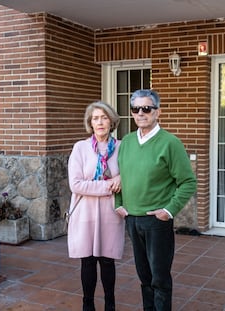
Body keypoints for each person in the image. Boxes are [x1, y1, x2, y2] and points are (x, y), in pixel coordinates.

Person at [115, 89, 197, 311]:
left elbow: (188, 182)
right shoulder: (127, 142)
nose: (141, 113)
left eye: (146, 108)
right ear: (131, 113)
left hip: (156, 221)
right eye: (136, 109)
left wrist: (169, 210)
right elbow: (120, 176)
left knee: (159, 278)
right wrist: (119, 204)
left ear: (157, 112)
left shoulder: (170, 143)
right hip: (132, 219)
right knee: (144, 276)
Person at [67, 101, 125, 311]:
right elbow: (75, 184)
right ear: (90, 123)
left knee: (108, 261)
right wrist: (109, 184)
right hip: (85, 212)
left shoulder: (122, 147)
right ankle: (87, 304)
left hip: (110, 213)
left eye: (104, 117)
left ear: (111, 121)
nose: (100, 122)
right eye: (95, 118)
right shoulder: (80, 148)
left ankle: (110, 304)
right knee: (88, 261)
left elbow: (128, 176)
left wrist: (121, 177)